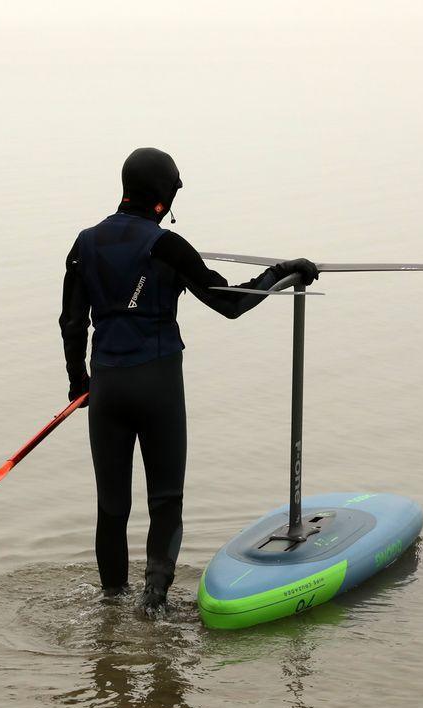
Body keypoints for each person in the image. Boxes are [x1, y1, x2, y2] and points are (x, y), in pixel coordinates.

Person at [59, 147, 319, 615]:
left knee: (112, 507)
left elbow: (71, 323)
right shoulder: (168, 247)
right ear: (162, 196)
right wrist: (281, 273)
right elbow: (230, 302)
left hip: (107, 389)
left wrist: (79, 383)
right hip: (157, 386)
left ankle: (112, 608)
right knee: (165, 502)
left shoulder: (84, 243)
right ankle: (153, 607)